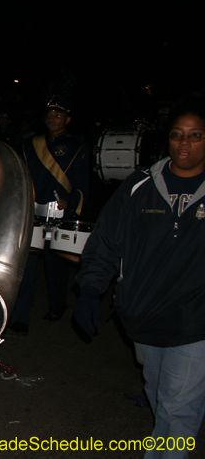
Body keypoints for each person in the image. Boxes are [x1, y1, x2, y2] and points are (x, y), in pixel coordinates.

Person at [75, 96, 205, 459]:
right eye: (178, 135)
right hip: (143, 314)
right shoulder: (138, 186)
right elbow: (104, 242)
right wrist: (89, 290)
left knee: (179, 407)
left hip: (195, 321)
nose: (185, 143)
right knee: (160, 391)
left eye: (196, 136)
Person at [8, 95, 89, 335]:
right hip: (33, 212)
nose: (53, 119)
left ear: (68, 118)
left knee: (56, 266)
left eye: (58, 115)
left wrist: (71, 200)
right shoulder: (31, 144)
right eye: (49, 116)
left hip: (59, 213)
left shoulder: (78, 146)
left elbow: (82, 185)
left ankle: (57, 306)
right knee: (27, 266)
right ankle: (22, 316)